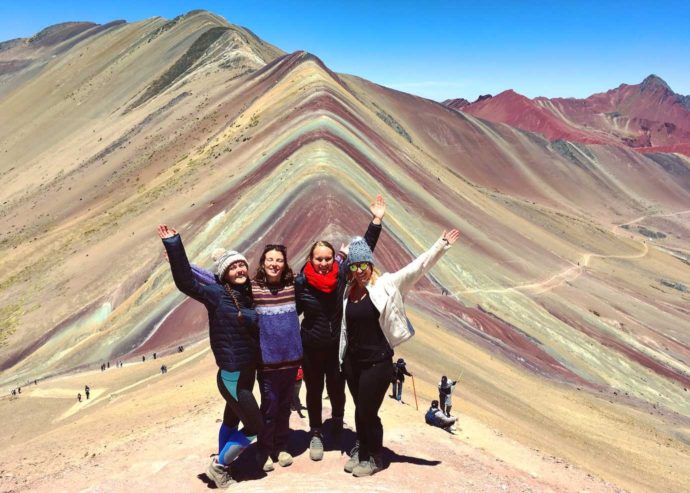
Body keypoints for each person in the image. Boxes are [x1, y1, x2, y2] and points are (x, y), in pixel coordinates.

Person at [340, 228, 460, 477]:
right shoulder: (348, 291)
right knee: (359, 410)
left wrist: (441, 245)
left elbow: (417, 268)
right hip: (353, 362)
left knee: (367, 411)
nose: (359, 270)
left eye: (363, 264)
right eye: (354, 266)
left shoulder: (387, 284)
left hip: (377, 363)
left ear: (370, 264)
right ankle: (362, 449)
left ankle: (374, 457)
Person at [159, 224, 263, 489]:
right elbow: (186, 282)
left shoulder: (249, 294)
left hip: (246, 373)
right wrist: (173, 245)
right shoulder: (216, 295)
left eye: (242, 265)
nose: (240, 270)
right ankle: (220, 465)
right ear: (224, 274)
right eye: (233, 267)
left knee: (232, 418)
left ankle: (226, 459)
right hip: (232, 375)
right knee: (254, 425)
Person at [190, 244, 303, 472]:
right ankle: (262, 450)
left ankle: (279, 447)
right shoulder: (253, 288)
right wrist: (185, 264)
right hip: (265, 363)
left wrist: (342, 255)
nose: (274, 264)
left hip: (289, 361)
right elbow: (215, 278)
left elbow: (318, 273)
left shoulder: (293, 286)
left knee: (284, 407)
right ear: (262, 263)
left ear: (285, 263)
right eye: (269, 259)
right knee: (268, 408)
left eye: (279, 260)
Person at [294, 195, 385, 461]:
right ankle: (315, 432)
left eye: (327, 258)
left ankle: (336, 421)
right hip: (311, 347)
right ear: (310, 259)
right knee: (313, 390)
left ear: (335, 258)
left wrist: (376, 220)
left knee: (337, 388)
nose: (323, 263)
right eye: (318, 259)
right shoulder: (302, 283)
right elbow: (293, 313)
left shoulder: (343, 273)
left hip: (337, 348)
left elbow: (363, 251)